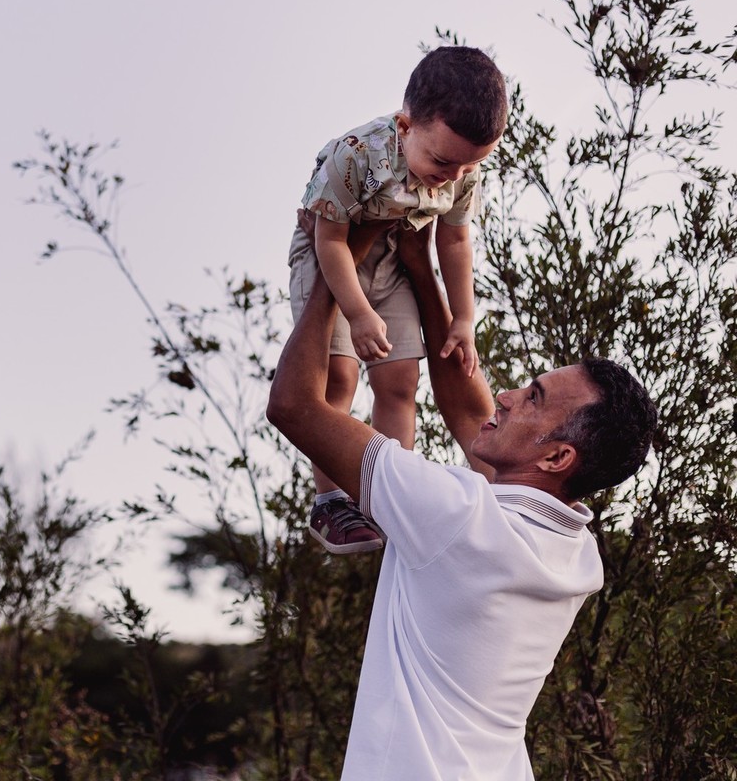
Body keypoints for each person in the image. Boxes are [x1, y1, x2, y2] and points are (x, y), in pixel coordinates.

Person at [266, 246, 658, 778]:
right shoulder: (576, 555)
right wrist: (422, 270)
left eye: (535, 398)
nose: (508, 394)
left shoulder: (456, 516)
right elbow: (471, 411)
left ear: (557, 457)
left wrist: (333, 274)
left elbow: (294, 406)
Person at [287, 45, 508, 553]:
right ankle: (332, 503)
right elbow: (329, 241)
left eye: (470, 163)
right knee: (338, 374)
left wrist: (464, 318)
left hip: (393, 263)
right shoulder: (356, 154)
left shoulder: (462, 169)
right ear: (406, 125)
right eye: (443, 160)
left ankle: (389, 497)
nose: (453, 175)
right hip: (332, 259)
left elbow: (454, 240)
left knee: (400, 378)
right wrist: (359, 314)